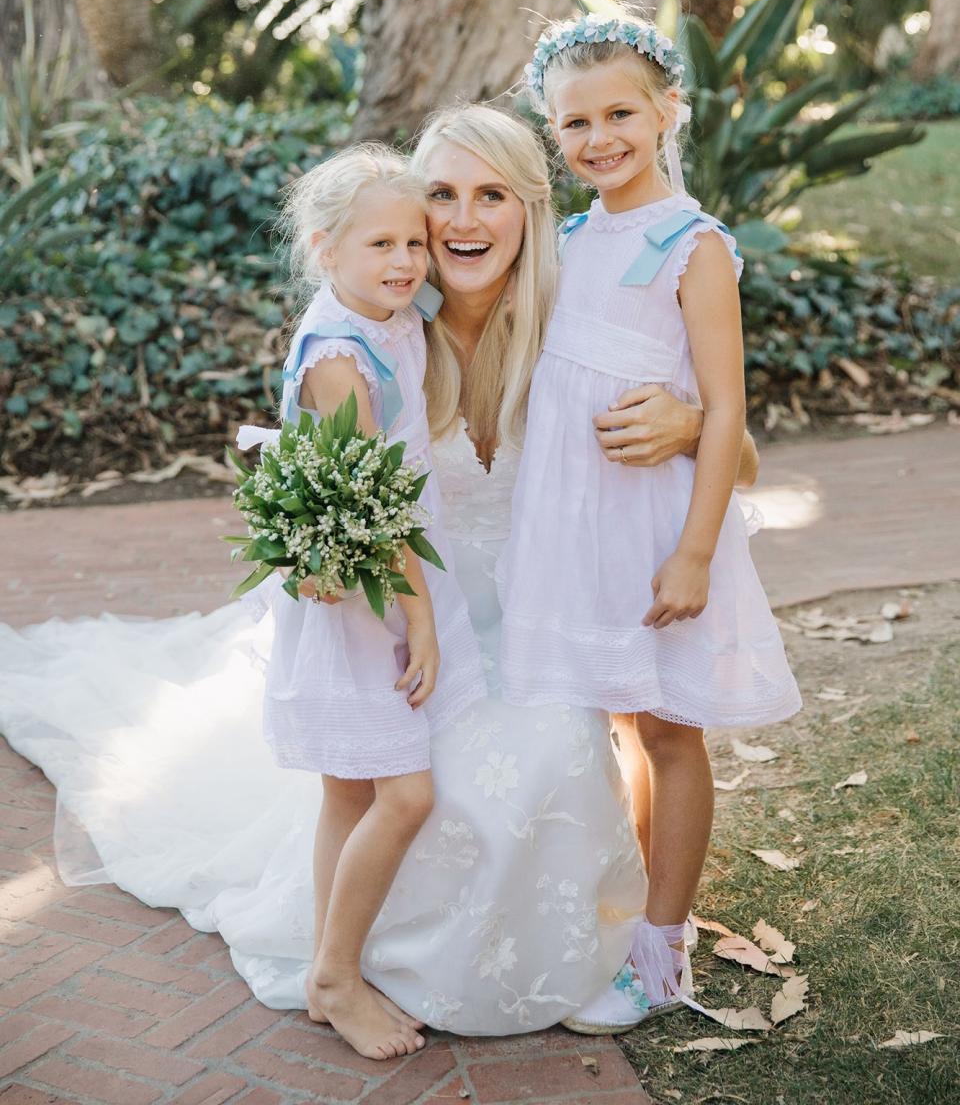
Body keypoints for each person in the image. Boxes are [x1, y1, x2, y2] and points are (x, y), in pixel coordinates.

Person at [0, 102, 758, 1037]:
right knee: (428, 783)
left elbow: (733, 440)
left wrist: (688, 423)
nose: (465, 221)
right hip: (404, 619)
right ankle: (358, 963)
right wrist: (323, 555)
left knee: (560, 745)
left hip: (532, 612)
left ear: (532, 208)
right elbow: (322, 473)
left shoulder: (574, 317)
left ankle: (608, 945)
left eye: (492, 195)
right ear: (410, 209)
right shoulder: (386, 323)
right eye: (443, 195)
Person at [496, 12, 802, 1033]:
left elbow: (727, 415)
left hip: (655, 531)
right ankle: (634, 907)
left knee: (671, 729)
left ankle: (664, 954)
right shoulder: (573, 239)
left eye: (620, 111)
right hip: (574, 529)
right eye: (574, 122)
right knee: (623, 717)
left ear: (669, 109)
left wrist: (695, 554)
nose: (599, 138)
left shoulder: (694, 245)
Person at [239, 144, 486, 1057]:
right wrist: (419, 615)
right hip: (368, 591)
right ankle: (337, 976)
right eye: (381, 243)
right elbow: (373, 510)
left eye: (415, 242)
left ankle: (327, 964)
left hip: (389, 568)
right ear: (324, 247)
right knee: (405, 795)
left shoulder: (386, 317)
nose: (406, 262)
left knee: (350, 789)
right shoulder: (340, 356)